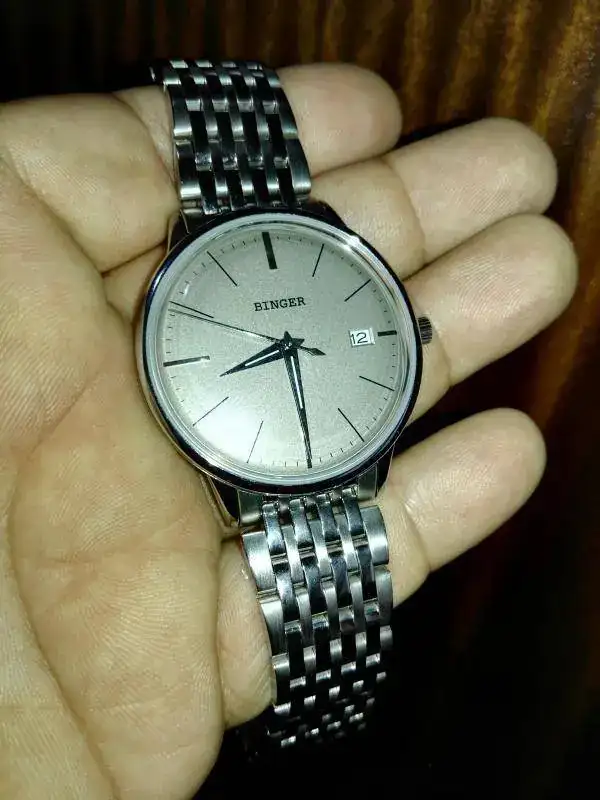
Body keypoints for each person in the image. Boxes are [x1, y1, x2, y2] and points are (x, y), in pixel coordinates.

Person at [0, 62, 577, 799]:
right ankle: (320, 717)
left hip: (342, 449)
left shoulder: (341, 258)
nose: (287, 345)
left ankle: (323, 715)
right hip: (253, 468)